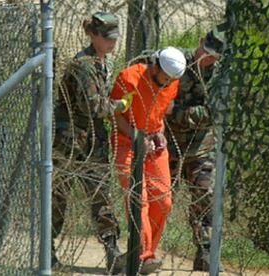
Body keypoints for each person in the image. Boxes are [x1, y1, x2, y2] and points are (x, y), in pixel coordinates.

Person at [52, 11, 133, 274]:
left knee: (101, 195)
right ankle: (47, 251)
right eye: (107, 38)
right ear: (93, 35)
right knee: (59, 197)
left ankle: (111, 251)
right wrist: (119, 105)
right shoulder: (83, 65)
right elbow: (92, 106)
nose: (112, 43)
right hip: (71, 142)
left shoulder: (101, 62)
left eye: (114, 38)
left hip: (93, 142)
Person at [110, 47, 186, 275]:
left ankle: (140, 255)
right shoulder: (129, 79)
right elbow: (113, 113)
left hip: (153, 144)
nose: (167, 84)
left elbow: (159, 112)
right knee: (138, 199)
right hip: (127, 143)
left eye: (171, 81)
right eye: (164, 79)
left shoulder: (171, 82)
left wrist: (159, 132)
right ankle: (143, 255)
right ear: (155, 66)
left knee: (164, 202)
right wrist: (135, 137)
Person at [166, 25, 226, 271]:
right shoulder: (174, 62)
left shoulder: (221, 75)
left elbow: (214, 112)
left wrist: (177, 112)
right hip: (167, 144)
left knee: (205, 197)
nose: (208, 58)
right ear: (200, 41)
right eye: (206, 51)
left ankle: (205, 252)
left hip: (201, 145)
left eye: (214, 56)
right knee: (158, 200)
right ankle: (145, 251)